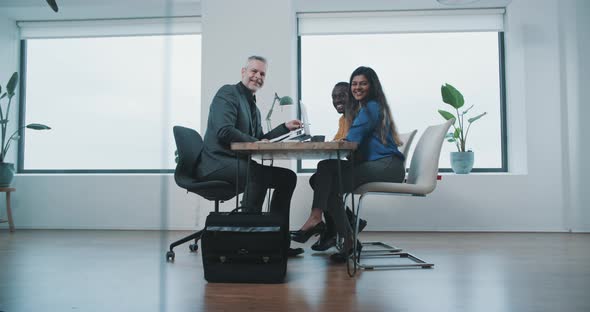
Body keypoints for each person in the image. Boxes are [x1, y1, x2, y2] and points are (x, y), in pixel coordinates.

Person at [292, 66, 406, 262]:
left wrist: (337, 142)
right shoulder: (365, 108)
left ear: (372, 86)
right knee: (322, 174)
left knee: (327, 184)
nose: (357, 87)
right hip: (375, 164)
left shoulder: (371, 107)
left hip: (387, 166)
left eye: (363, 83)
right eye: (354, 84)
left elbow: (352, 139)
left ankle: (335, 229)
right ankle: (327, 222)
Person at [197, 55, 304, 256]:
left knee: (287, 177)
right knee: (258, 175)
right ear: (243, 72)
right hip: (216, 162)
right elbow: (224, 130)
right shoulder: (228, 93)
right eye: (254, 71)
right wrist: (256, 142)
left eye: (262, 73)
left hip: (236, 162)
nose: (258, 76)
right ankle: (245, 241)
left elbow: (259, 139)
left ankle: (277, 241)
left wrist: (284, 128)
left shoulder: (253, 106)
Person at [292, 82, 367, 252]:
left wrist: (339, 142)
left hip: (365, 168)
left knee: (324, 172)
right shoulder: (343, 119)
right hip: (355, 165)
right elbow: (339, 141)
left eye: (342, 95)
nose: (337, 100)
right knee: (317, 179)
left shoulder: (359, 115)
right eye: (334, 97)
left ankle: (318, 220)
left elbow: (351, 142)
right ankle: (350, 223)